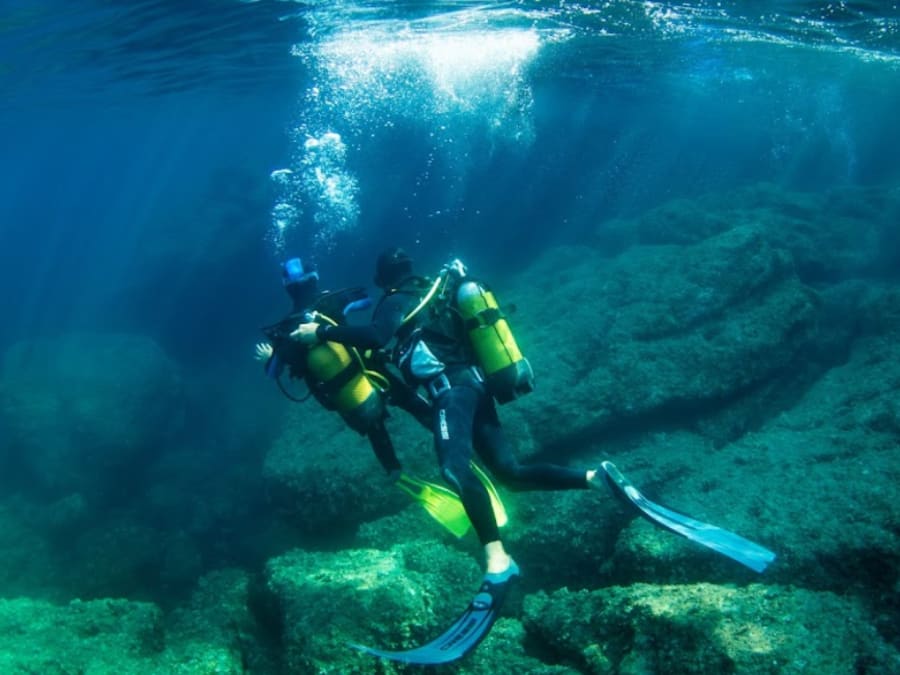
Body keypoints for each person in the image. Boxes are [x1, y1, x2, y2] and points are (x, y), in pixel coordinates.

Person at [293, 248, 603, 579]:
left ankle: (497, 558)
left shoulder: (395, 302)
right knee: (510, 472)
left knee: (453, 469)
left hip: (452, 394)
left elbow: (376, 335)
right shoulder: (436, 291)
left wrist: (321, 333)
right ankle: (594, 479)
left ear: (383, 280)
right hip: (477, 388)